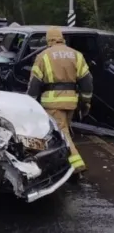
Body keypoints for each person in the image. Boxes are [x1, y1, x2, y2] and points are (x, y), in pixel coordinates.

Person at [26, 27, 93, 177]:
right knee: (65, 131)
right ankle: (64, 164)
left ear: (48, 39)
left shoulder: (43, 56)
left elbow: (34, 84)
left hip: (52, 102)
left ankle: (77, 166)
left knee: (63, 134)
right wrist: (86, 101)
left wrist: (29, 103)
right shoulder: (76, 55)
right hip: (71, 101)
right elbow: (87, 81)